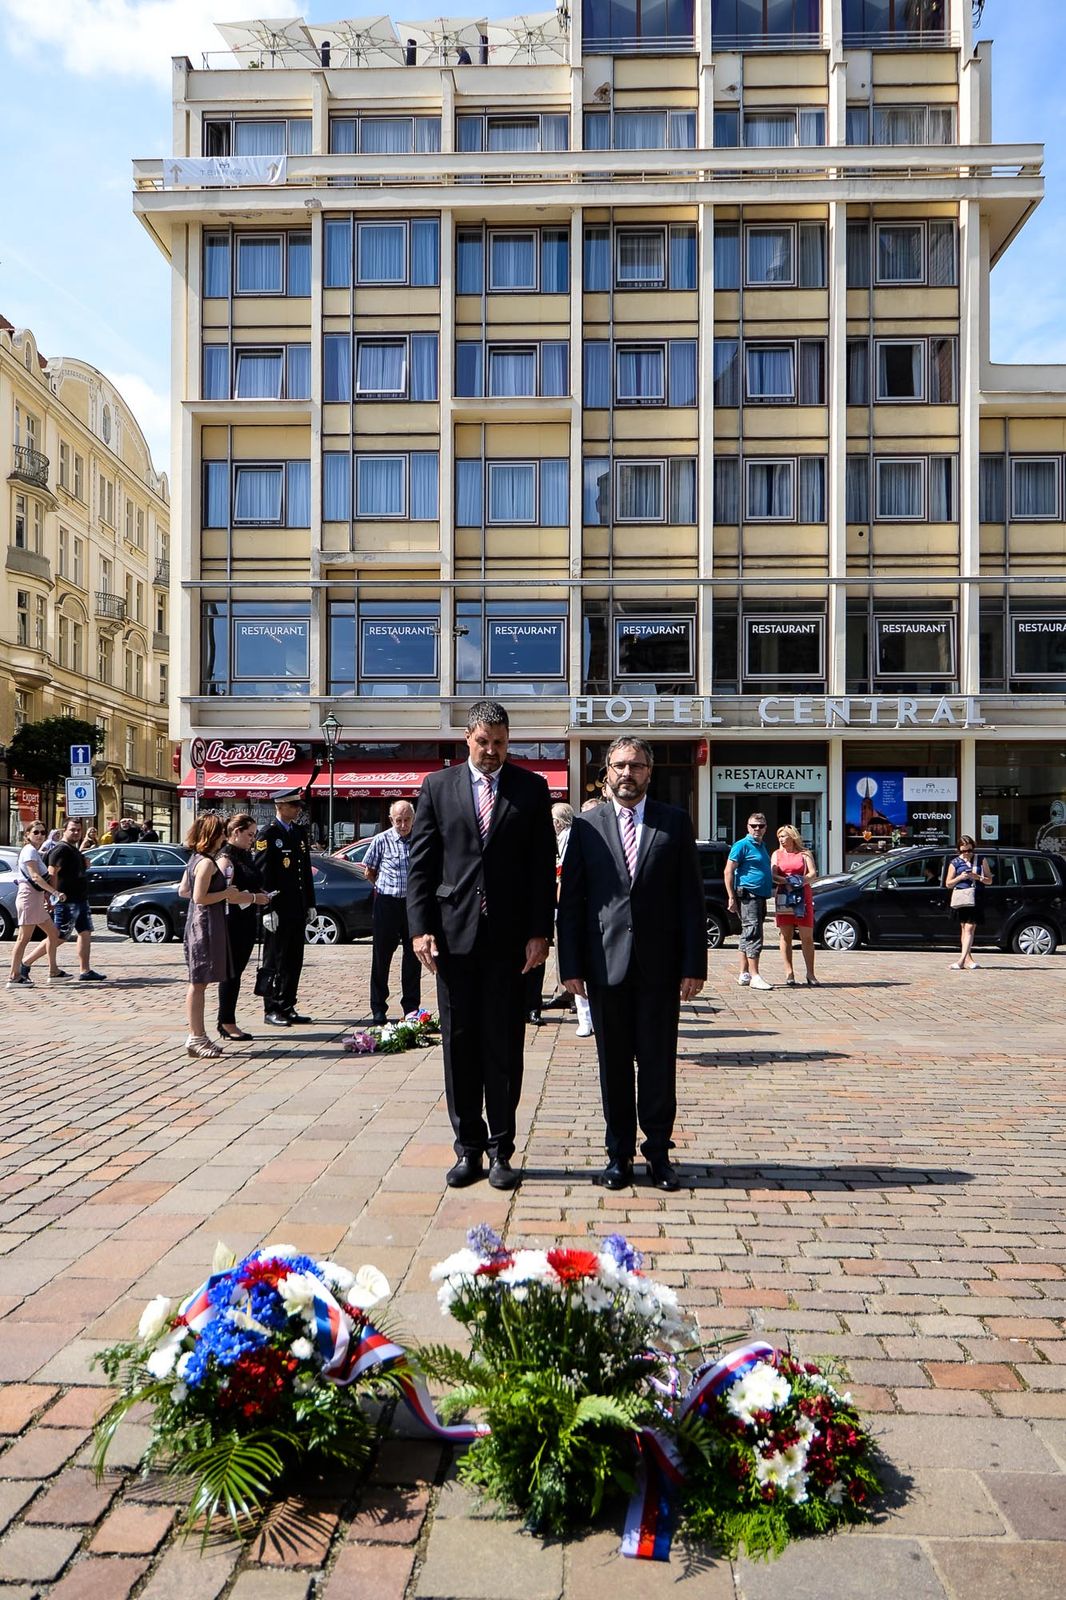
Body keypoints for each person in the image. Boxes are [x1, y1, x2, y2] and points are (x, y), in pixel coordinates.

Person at [407, 699, 556, 1191]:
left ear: (508, 741)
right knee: (460, 1045)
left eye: (500, 743)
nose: (491, 751)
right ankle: (467, 1148)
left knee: (505, 1047)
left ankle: (501, 1151)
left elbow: (541, 868)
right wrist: (420, 928)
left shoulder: (531, 789)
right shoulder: (437, 787)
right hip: (453, 939)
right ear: (467, 739)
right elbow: (423, 867)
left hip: (511, 942)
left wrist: (541, 931)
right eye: (483, 742)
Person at [558, 738, 706, 1191]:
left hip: (660, 969)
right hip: (606, 966)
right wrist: (571, 966)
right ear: (606, 771)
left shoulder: (675, 823)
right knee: (615, 1066)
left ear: (649, 772)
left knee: (659, 1064)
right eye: (620, 765)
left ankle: (659, 1154)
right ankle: (618, 1154)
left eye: (637, 766)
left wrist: (693, 964)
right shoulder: (586, 826)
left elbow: (689, 899)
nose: (628, 773)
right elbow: (573, 902)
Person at [184, 812, 255, 1059]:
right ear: (213, 836)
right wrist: (225, 893)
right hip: (204, 926)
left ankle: (199, 1035)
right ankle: (196, 1037)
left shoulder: (196, 859)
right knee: (199, 983)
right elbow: (198, 897)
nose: (224, 837)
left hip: (198, 923)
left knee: (199, 983)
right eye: (221, 833)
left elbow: (184, 889)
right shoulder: (206, 862)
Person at [254, 785, 316, 1026]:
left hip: (296, 906)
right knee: (274, 958)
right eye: (293, 805)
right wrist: (267, 908)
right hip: (277, 907)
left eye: (298, 805)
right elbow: (263, 874)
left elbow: (305, 872)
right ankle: (271, 1007)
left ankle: (288, 1003)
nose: (297, 809)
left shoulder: (299, 832)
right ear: (280, 806)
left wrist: (310, 903)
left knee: (293, 959)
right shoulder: (268, 834)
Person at [357, 800, 421, 1025]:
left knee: (413, 957)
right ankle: (378, 1007)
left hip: (412, 904)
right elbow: (369, 871)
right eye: (399, 821)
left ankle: (411, 1007)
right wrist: (383, 888)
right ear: (391, 820)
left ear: (413, 819)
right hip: (387, 903)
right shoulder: (381, 840)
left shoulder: (420, 838)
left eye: (407, 820)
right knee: (381, 956)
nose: (403, 825)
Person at [217, 813, 271, 1040]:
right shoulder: (226, 858)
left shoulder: (245, 855)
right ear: (236, 832)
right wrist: (253, 898)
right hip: (231, 923)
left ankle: (228, 1019)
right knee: (230, 973)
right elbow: (224, 895)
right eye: (249, 834)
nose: (252, 838)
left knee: (237, 972)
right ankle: (226, 1021)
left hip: (246, 921)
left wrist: (260, 894)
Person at [6, 822, 67, 988]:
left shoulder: (34, 851)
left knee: (53, 933)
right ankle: (14, 976)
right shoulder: (29, 851)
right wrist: (55, 893)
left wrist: (46, 897)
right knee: (23, 938)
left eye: (42, 832)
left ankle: (53, 971)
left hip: (36, 898)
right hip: (28, 898)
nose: (39, 835)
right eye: (36, 832)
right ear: (27, 834)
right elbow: (35, 877)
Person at [49, 818, 106, 981]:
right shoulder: (61, 849)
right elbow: (52, 872)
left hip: (80, 898)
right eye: (72, 829)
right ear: (64, 830)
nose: (75, 833)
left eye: (78, 830)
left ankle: (85, 970)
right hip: (67, 900)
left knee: (85, 932)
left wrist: (83, 864)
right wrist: (54, 895)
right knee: (58, 936)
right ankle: (26, 963)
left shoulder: (72, 849)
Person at [724, 812, 774, 990]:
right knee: (754, 933)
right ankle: (755, 976)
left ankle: (744, 973)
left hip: (760, 896)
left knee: (747, 933)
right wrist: (731, 896)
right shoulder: (742, 845)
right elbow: (728, 871)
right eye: (754, 826)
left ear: (766, 828)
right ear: (747, 827)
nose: (757, 829)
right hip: (748, 895)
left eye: (761, 826)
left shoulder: (762, 846)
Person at [771, 824, 818, 986]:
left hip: (802, 896)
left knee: (807, 936)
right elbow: (773, 875)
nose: (782, 840)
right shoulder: (776, 854)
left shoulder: (805, 854)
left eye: (784, 836)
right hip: (784, 896)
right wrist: (786, 881)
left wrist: (799, 881)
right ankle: (789, 972)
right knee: (785, 935)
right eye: (779, 837)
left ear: (793, 837)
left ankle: (810, 973)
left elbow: (812, 874)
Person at [946, 834, 992, 971]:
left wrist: (978, 877)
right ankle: (968, 959)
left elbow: (989, 880)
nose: (967, 854)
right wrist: (960, 877)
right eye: (963, 851)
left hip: (975, 897)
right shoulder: (954, 862)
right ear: (959, 850)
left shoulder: (981, 860)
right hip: (961, 897)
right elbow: (948, 883)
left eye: (969, 850)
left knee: (969, 928)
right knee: (963, 929)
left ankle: (960, 961)